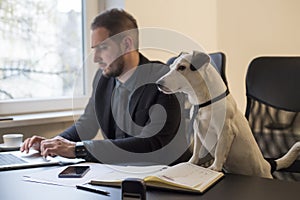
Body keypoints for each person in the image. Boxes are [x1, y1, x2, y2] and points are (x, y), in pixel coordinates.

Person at [21, 9, 187, 164]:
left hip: (166, 176)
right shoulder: (103, 78)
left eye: (103, 47)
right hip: (119, 173)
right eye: (95, 49)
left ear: (127, 45)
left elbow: (152, 142)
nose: (95, 59)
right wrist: (53, 143)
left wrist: (79, 149)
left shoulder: (165, 80)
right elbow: (87, 124)